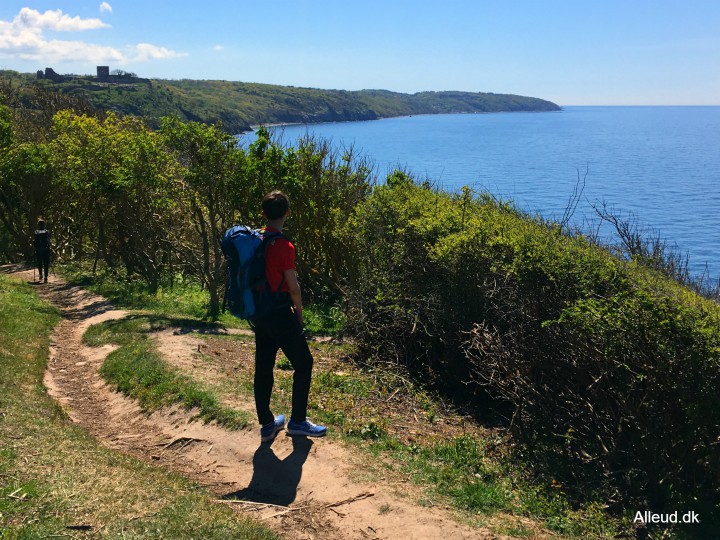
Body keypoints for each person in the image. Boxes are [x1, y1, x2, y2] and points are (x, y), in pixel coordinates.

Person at [253, 191, 327, 442]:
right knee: (304, 363)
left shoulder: (255, 240)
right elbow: (293, 287)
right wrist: (300, 313)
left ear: (263, 215)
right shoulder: (284, 246)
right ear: (287, 213)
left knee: (263, 367)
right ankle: (297, 422)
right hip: (281, 313)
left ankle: (267, 424)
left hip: (260, 313)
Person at [33, 219, 51, 284]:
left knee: (39, 263)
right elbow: (49, 239)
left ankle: (41, 275)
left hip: (38, 250)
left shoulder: (36, 232)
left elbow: (34, 240)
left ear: (38, 225)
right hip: (46, 250)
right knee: (46, 264)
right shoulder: (47, 231)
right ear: (44, 225)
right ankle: (46, 277)